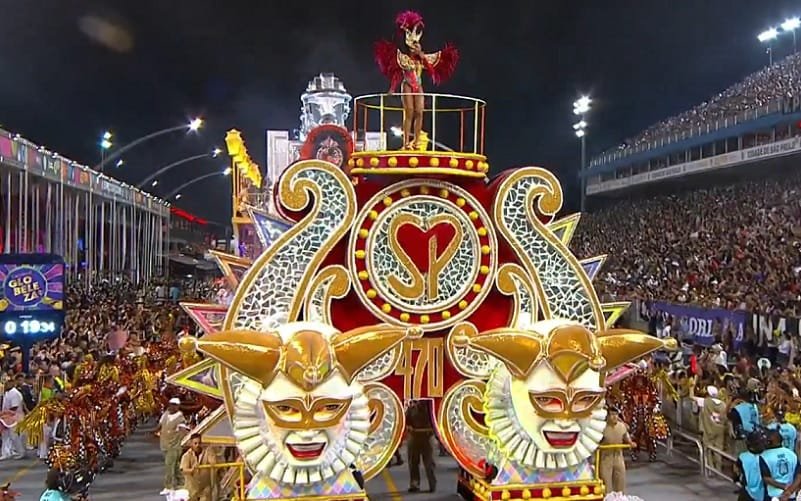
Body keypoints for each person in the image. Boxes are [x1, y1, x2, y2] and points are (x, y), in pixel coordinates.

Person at [374, 11, 458, 149]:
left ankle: (417, 141)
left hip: (418, 86)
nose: (416, 48)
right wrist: (392, 88)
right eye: (414, 47)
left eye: (417, 46)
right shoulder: (404, 59)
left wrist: (422, 56)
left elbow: (431, 70)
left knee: (419, 112)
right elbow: (397, 74)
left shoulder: (422, 60)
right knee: (410, 112)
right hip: (407, 85)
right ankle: (406, 142)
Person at [599, 407, 637, 494]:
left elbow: (626, 437)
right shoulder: (602, 427)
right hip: (606, 457)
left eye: (616, 414)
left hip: (618, 456)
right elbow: (596, 440)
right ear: (608, 416)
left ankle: (620, 497)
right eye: (612, 414)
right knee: (606, 481)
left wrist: (630, 442)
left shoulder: (622, 426)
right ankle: (607, 498)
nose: (614, 417)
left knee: (620, 478)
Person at [405, 400, 436, 493]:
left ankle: (432, 483)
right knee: (413, 461)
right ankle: (414, 483)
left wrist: (434, 429)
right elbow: (406, 420)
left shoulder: (431, 408)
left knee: (429, 462)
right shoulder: (412, 408)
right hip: (414, 436)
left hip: (427, 437)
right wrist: (408, 427)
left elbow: (437, 422)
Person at [159, 397, 187, 495]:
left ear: (178, 406)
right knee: (175, 466)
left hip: (174, 447)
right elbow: (160, 425)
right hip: (164, 445)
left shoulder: (180, 418)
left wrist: (180, 441)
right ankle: (181, 483)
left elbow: (183, 431)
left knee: (169, 466)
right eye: (171, 404)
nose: (171, 407)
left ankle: (169, 486)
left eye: (174, 405)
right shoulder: (165, 414)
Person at [761, 428, 798, 500]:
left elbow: (765, 478)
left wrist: (783, 486)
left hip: (773, 496)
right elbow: (798, 475)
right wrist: (790, 490)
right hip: (790, 495)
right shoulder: (792, 454)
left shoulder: (764, 456)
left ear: (769, 442)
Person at [180, 433, 215, 501]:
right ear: (191, 443)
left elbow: (213, 463)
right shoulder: (187, 455)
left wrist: (211, 456)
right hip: (192, 487)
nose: (197, 445)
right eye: (195, 443)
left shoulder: (207, 452)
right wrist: (192, 470)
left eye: (199, 443)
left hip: (205, 487)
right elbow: (183, 469)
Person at [734, 431, 767, 501]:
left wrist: (736, 479)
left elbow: (736, 472)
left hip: (747, 492)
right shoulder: (767, 456)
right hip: (763, 493)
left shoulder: (742, 457)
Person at [701, 386, 727, 472]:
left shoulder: (706, 402)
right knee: (718, 450)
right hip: (720, 429)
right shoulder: (723, 405)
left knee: (708, 449)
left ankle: (710, 469)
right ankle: (718, 469)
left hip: (708, 429)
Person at [0, 374, 25, 460]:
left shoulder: (15, 393)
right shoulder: (7, 392)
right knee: (5, 435)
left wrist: (4, 413)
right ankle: (6, 452)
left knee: (14, 436)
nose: (6, 384)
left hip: (15, 417)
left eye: (8, 383)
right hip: (7, 417)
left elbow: (14, 407)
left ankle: (21, 452)